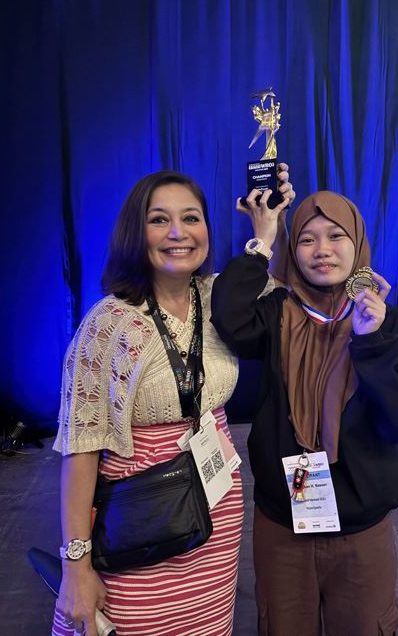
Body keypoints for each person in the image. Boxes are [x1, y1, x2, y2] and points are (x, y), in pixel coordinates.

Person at [51, 168, 295, 636]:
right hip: (138, 522)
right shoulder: (109, 325)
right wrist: (75, 566)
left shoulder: (220, 298)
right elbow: (81, 451)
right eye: (159, 219)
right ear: (135, 232)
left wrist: (274, 222)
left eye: (191, 218)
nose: (178, 233)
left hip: (215, 514)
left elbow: (280, 283)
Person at [211, 188, 398, 636]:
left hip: (361, 530)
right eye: (306, 239)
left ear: (358, 242)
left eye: (336, 236)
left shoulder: (395, 328)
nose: (322, 250)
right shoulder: (276, 315)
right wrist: (264, 240)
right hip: (283, 525)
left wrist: (371, 343)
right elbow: (229, 316)